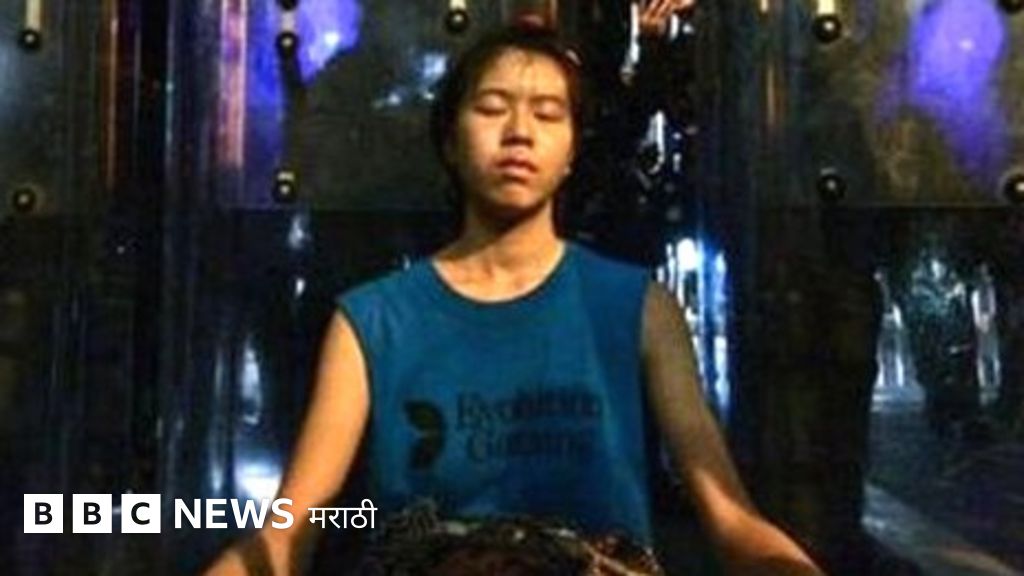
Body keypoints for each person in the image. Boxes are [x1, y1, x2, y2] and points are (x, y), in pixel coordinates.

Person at [205, 16, 823, 576]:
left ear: (572, 150)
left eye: (548, 114)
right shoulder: (373, 320)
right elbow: (290, 529)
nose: (520, 133)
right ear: (451, 141)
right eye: (492, 108)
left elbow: (731, 519)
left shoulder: (640, 308)